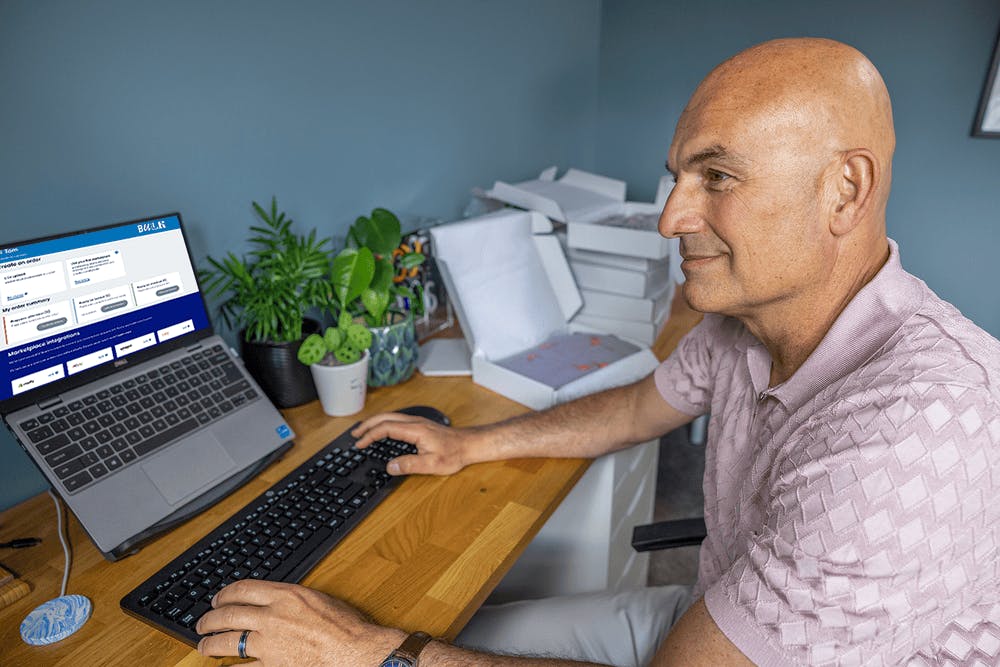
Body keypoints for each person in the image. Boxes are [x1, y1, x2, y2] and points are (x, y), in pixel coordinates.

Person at [196, 37, 1000, 666]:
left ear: (846, 191)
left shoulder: (914, 434)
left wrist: (363, 652)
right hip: (714, 608)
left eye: (717, 176)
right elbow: (638, 408)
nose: (672, 217)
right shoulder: (746, 321)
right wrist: (471, 442)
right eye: (678, 176)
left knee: (381, 641)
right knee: (456, 625)